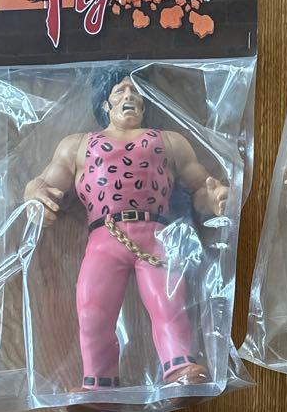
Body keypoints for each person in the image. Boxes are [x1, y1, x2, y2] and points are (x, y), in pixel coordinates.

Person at [24, 75, 229, 390]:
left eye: (135, 90)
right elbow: (46, 182)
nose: (129, 96)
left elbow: (200, 187)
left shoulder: (170, 141)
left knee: (169, 303)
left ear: (146, 102)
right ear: (106, 103)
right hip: (104, 236)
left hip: (157, 233)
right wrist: (34, 194)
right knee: (92, 308)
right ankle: (98, 382)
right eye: (120, 90)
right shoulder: (78, 144)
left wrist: (214, 198)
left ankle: (180, 368)